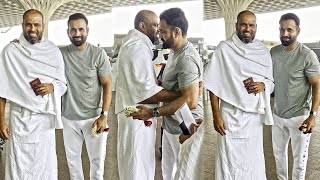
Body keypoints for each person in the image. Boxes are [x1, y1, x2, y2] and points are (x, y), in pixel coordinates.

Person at [131, 8, 203, 180]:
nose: (159, 33)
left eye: (163, 30)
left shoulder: (187, 58)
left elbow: (191, 101)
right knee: (168, 173)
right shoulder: (174, 52)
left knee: (183, 175)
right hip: (170, 126)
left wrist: (152, 113)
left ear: (176, 31)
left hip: (186, 128)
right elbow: (179, 88)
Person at [204, 10, 274, 179]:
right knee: (229, 162)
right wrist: (216, 115)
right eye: (243, 24)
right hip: (230, 117)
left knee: (252, 161)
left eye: (251, 25)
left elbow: (271, 82)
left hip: (253, 120)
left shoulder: (263, 51)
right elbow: (213, 84)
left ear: (256, 27)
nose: (247, 28)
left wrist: (263, 85)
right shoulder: (224, 49)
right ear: (236, 25)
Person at [0, 9, 67, 179]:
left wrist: (52, 87)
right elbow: (1, 90)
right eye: (28, 24)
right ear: (22, 25)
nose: (32, 28)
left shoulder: (52, 51)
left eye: (37, 24)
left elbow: (63, 84)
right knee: (18, 167)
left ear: (43, 26)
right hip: (19, 119)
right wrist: (1, 121)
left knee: (44, 168)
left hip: (44, 122)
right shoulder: (10, 52)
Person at [115, 10, 181, 180]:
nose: (158, 29)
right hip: (136, 115)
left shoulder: (138, 45)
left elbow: (142, 85)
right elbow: (146, 92)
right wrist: (181, 95)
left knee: (140, 163)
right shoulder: (136, 48)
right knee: (136, 166)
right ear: (142, 26)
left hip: (136, 115)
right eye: (155, 25)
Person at [59, 13, 112, 180]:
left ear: (87, 30)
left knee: (97, 162)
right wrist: (20, 45)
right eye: (73, 30)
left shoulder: (98, 54)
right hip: (69, 118)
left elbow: (107, 85)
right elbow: (39, 52)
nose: (77, 33)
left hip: (94, 118)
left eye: (81, 29)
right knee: (73, 162)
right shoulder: (60, 54)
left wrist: (104, 115)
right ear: (67, 32)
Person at [271, 13, 320, 180]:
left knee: (299, 161)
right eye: (282, 29)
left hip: (300, 117)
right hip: (277, 115)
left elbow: (317, 85)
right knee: (278, 156)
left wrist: (312, 115)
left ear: (298, 31)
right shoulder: (274, 52)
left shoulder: (307, 55)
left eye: (289, 30)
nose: (285, 34)